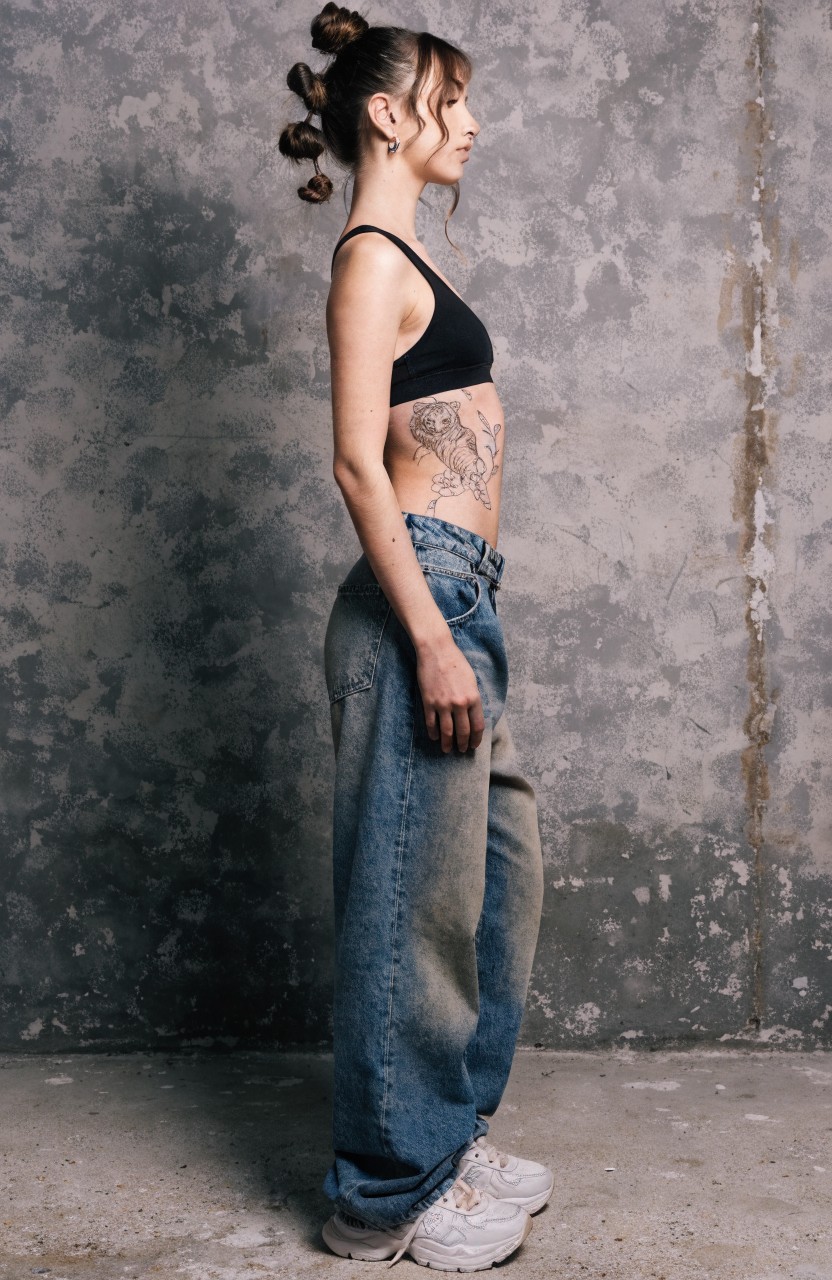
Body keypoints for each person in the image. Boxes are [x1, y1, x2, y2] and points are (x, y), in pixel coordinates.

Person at [280, 4, 549, 1270]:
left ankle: (446, 1129)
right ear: (387, 111)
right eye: (453, 96)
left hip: (462, 590)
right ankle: (387, 1191)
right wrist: (432, 635)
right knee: (410, 903)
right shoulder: (370, 260)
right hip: (418, 602)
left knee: (495, 874)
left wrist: (462, 617)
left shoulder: (405, 258)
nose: (473, 121)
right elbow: (353, 461)